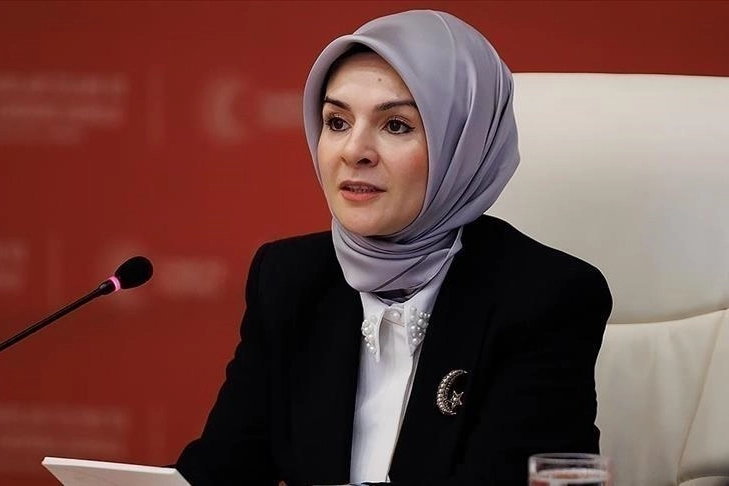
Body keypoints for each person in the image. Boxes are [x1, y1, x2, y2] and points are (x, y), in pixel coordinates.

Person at [176, 9, 612, 486]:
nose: (354, 151)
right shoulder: (289, 279)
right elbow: (219, 471)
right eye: (337, 121)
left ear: (462, 146)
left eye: (396, 125)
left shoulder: (546, 298)